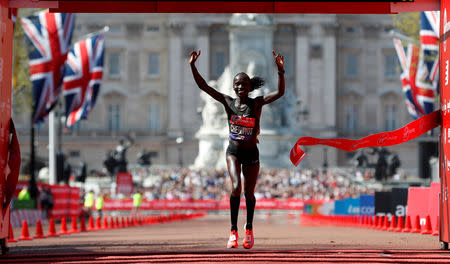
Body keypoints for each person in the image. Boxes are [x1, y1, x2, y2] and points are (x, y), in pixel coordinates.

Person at [189, 49, 285, 249]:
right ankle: (233, 231)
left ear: (249, 87)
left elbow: (280, 93)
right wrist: (192, 66)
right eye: (238, 84)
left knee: (249, 194)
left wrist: (281, 71)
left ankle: (248, 229)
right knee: (235, 188)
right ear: (234, 87)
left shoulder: (256, 103)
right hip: (233, 151)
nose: (241, 86)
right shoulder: (227, 102)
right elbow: (204, 86)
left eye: (244, 84)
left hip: (252, 153)